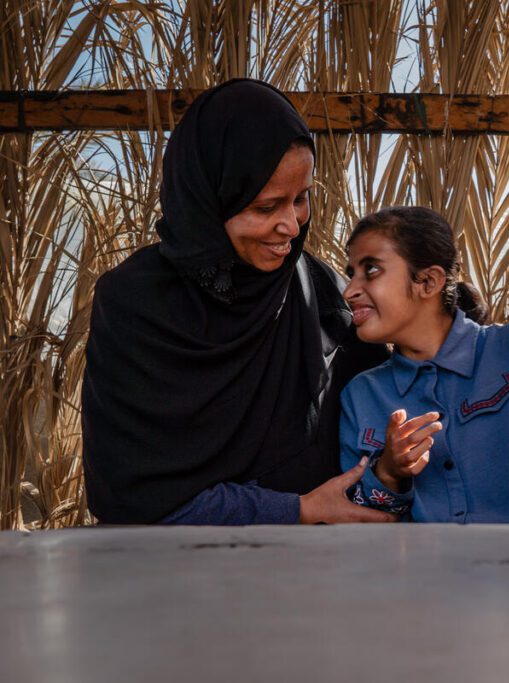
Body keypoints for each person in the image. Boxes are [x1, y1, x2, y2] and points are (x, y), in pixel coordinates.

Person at [81, 79, 395, 525]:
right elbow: (137, 498)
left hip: (313, 577)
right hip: (165, 578)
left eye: (301, 199)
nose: (291, 224)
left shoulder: (325, 295)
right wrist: (297, 509)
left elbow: (372, 455)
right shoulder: (135, 306)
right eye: (266, 207)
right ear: (208, 202)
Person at [339, 207, 509, 523]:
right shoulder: (360, 395)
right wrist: (388, 472)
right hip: (420, 572)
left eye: (371, 270)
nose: (350, 291)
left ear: (428, 282)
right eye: (351, 274)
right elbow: (357, 523)